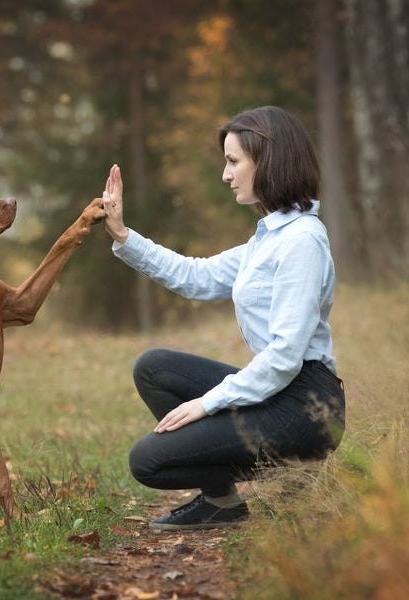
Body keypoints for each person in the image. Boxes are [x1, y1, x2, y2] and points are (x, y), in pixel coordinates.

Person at [98, 106, 345, 531]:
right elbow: (194, 276)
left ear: (267, 160)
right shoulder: (268, 239)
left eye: (233, 162)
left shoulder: (302, 241)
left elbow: (286, 355)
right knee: (155, 368)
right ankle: (222, 503)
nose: (225, 175)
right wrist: (123, 235)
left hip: (308, 407)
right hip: (280, 393)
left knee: (148, 462)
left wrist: (206, 404)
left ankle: (298, 467)